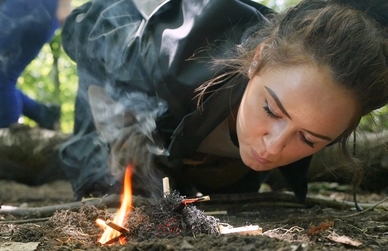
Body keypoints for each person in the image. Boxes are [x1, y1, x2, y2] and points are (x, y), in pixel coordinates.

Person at [58, 0, 388, 202]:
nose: (273, 148)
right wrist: (116, 118)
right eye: (271, 110)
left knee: (222, 202)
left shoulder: (340, 99)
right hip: (138, 112)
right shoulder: (176, 54)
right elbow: (83, 23)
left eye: (307, 139)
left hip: (199, 151)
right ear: (257, 61)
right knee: (109, 193)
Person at [0, 0, 73, 129]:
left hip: (36, 4)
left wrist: (65, 5)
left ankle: (5, 143)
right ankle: (42, 113)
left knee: (1, 73)